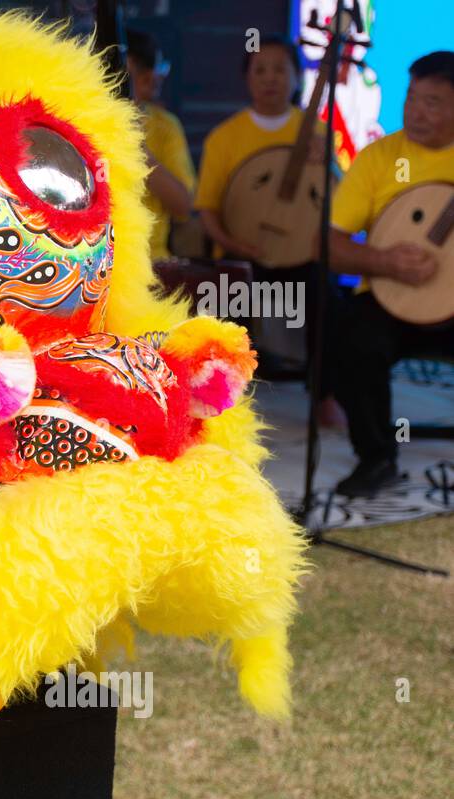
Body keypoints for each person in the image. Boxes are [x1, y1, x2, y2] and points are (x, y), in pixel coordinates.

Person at [327, 51, 454, 498]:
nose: (416, 111)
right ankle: (377, 457)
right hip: (389, 299)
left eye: (433, 102)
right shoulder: (381, 158)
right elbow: (330, 245)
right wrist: (385, 262)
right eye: (412, 98)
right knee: (349, 340)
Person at [194, 35, 322, 373]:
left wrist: (329, 166)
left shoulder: (318, 134)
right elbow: (207, 207)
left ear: (297, 78)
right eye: (260, 70)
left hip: (303, 258)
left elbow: (337, 204)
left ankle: (324, 395)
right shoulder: (225, 137)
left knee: (332, 298)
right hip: (240, 253)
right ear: (247, 79)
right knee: (224, 291)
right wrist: (231, 243)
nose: (270, 78)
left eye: (280, 70)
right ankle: (227, 388)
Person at [125, 29, 194, 261]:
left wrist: (138, 151)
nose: (155, 75)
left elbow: (183, 206)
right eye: (142, 68)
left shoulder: (165, 126)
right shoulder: (82, 120)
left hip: (151, 262)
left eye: (158, 66)